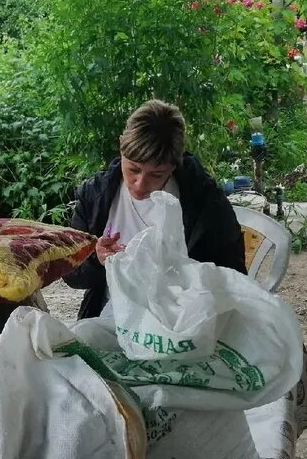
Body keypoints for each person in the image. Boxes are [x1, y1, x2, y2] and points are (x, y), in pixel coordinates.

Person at [64, 100, 247, 319]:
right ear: (121, 147)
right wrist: (96, 259)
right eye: (133, 169)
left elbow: (233, 275)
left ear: (174, 165)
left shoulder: (206, 203)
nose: (140, 184)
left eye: (156, 175)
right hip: (111, 317)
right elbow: (71, 275)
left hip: (184, 322)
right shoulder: (94, 197)